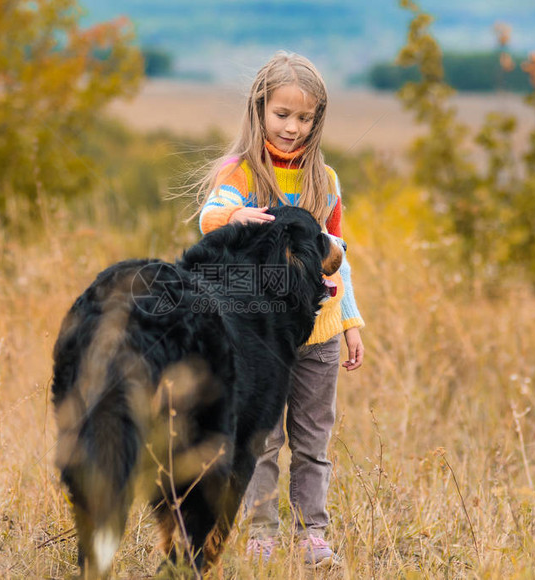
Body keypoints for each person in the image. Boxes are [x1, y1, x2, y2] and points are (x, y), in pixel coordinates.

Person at [194, 51, 365, 568]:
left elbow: (338, 257)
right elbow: (208, 218)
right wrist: (235, 214)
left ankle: (314, 534)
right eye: (281, 115)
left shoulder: (326, 179)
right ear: (259, 110)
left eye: (304, 117)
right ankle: (262, 532)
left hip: (320, 334)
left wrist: (352, 322)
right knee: (263, 442)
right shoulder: (241, 172)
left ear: (318, 119)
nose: (292, 127)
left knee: (313, 441)